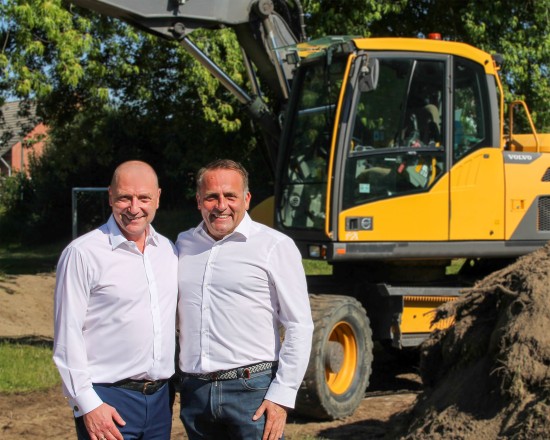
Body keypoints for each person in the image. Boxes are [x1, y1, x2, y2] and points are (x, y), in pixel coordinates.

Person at [176, 159, 314, 440]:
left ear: (247, 199)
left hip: (253, 392)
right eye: (212, 197)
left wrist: (282, 396)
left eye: (230, 196)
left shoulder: (274, 246)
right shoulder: (182, 245)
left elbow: (300, 325)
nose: (221, 205)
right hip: (196, 394)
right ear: (199, 201)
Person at [53, 160, 178, 440]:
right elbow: (66, 336)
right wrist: (88, 404)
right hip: (108, 400)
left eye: (144, 198)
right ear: (110, 196)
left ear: (158, 197)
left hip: (160, 400)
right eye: (125, 198)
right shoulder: (83, 254)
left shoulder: (169, 251)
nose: (134, 208)